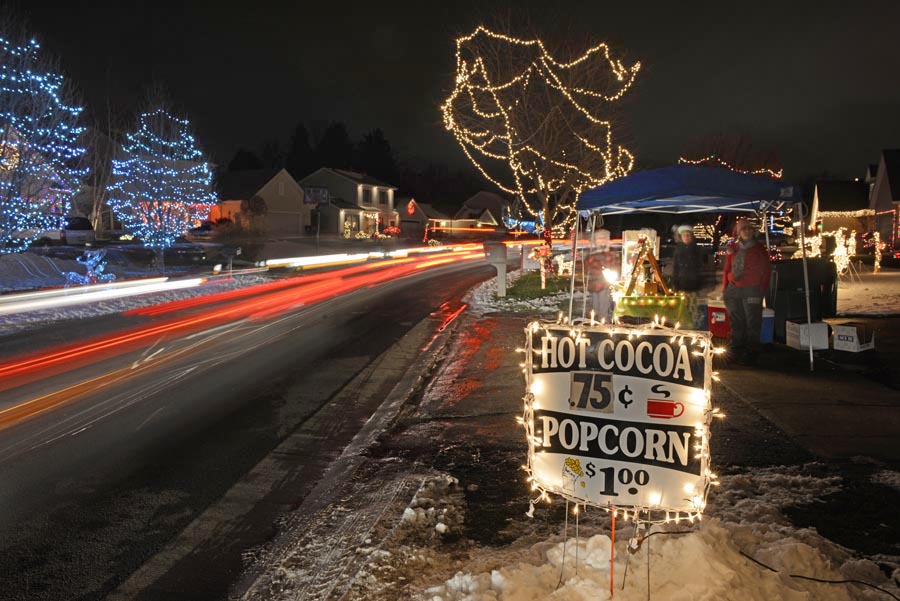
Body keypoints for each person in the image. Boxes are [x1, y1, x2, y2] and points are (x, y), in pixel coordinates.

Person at [722, 219, 771, 364]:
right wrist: (726, 289)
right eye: (744, 229)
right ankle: (736, 349)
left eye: (749, 229)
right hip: (734, 290)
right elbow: (727, 270)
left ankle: (751, 352)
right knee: (736, 321)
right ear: (738, 232)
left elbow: (766, 271)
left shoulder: (759, 249)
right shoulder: (734, 249)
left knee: (752, 322)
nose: (747, 231)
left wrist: (760, 290)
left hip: (752, 289)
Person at [671, 225, 703, 327]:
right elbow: (675, 268)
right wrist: (675, 283)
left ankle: (694, 326)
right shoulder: (678, 250)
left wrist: (699, 282)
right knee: (682, 309)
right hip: (681, 284)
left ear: (692, 236)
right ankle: (683, 327)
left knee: (693, 308)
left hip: (693, 285)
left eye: (688, 235)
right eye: (684, 235)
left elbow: (700, 267)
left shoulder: (696, 249)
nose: (687, 237)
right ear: (682, 237)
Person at [584, 234, 619, 322]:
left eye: (603, 238)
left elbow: (615, 266)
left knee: (604, 303)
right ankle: (598, 320)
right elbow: (587, 266)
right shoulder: (592, 255)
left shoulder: (610, 254)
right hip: (595, 283)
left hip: (605, 283)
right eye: (599, 238)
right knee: (595, 304)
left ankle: (603, 320)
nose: (601, 240)